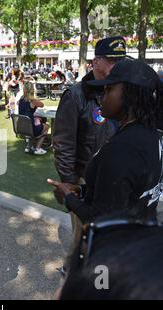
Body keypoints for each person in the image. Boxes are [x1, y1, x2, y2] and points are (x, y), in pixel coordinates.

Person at [48, 59, 163, 272]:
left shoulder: (122, 148)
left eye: (109, 89)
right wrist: (82, 189)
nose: (102, 96)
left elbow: (100, 218)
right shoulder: (150, 135)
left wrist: (69, 197)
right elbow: (127, 189)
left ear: (130, 94)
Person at [52, 36, 126, 274]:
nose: (118, 65)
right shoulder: (76, 96)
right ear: (96, 63)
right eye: (112, 60)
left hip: (114, 175)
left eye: (121, 60)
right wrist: (69, 182)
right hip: (85, 178)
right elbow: (63, 142)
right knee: (84, 233)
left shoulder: (122, 91)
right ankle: (73, 272)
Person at [17, 81, 49, 155]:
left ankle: (30, 146)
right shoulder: (33, 100)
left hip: (21, 126)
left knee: (39, 120)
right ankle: (38, 148)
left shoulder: (21, 99)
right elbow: (42, 105)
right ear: (32, 90)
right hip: (30, 127)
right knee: (46, 126)